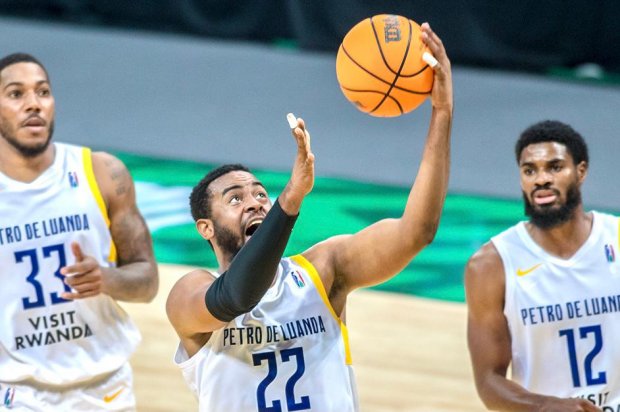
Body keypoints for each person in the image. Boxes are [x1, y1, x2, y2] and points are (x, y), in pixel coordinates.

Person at [166, 22, 452, 411]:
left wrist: (441, 111)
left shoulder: (324, 269)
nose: (254, 203)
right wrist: (289, 200)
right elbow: (238, 295)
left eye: (260, 194)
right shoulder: (188, 294)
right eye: (235, 199)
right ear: (206, 228)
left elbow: (417, 231)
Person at [0, 53, 159, 410]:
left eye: (42, 92)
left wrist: (105, 279)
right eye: (16, 94)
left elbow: (147, 281)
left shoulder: (101, 172)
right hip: (15, 392)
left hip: (105, 390)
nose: (33, 105)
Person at [465, 120, 620, 412]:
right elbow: (488, 380)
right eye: (529, 171)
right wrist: (547, 407)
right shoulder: (491, 265)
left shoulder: (617, 239)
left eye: (555, 167)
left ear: (581, 171)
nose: (541, 179)